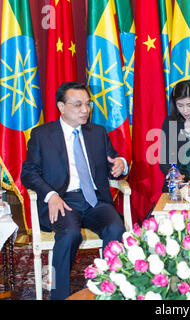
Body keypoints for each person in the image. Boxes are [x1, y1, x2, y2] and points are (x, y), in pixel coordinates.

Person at [21, 81, 127, 300]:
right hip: (63, 199)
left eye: (87, 104)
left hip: (94, 201)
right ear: (61, 106)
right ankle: (58, 294)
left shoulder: (97, 132)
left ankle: (110, 290)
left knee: (116, 228)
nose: (85, 110)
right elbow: (28, 173)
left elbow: (112, 164)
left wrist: (121, 164)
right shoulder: (42, 135)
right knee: (69, 234)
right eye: (78, 105)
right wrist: (51, 195)